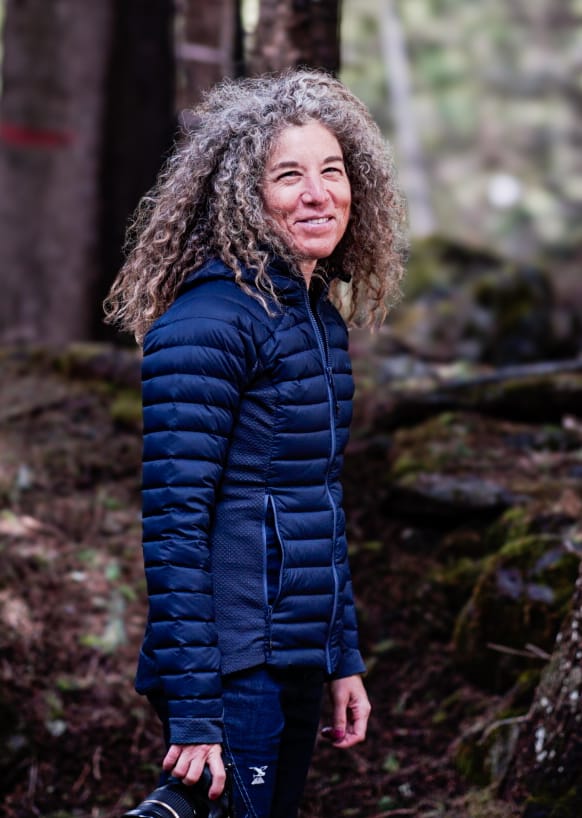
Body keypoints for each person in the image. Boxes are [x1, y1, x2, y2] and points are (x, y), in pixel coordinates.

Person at [104, 68, 406, 818]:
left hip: (295, 654)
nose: (318, 193)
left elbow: (317, 501)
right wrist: (196, 708)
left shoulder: (312, 317)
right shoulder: (207, 324)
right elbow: (174, 528)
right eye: (289, 176)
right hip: (237, 665)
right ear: (242, 193)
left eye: (332, 172)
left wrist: (341, 661)